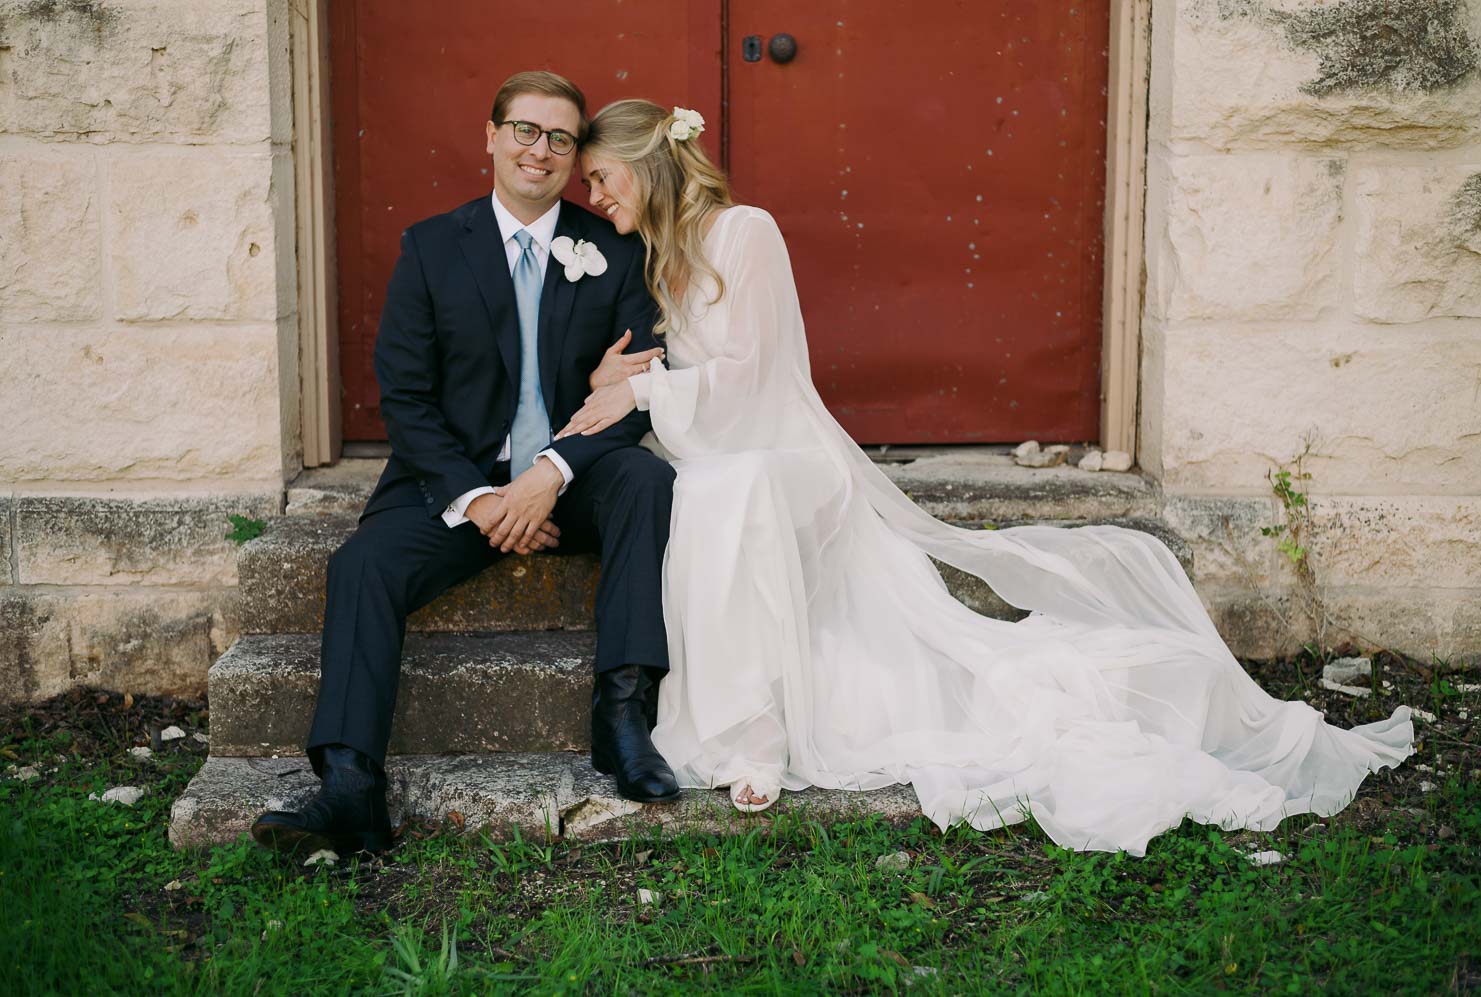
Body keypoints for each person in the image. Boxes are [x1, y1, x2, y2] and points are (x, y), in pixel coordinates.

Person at [561, 99, 1414, 855]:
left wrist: (644, 387)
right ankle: (737, 719)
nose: (597, 200)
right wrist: (624, 377)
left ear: (648, 162)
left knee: (726, 493)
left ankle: (757, 735)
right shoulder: (657, 258)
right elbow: (683, 371)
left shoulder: (744, 232)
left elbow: (753, 375)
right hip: (726, 452)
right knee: (700, 488)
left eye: (602, 180)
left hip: (787, 456)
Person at [252, 73, 681, 859]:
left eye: (560, 138)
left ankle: (623, 720)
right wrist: (481, 498)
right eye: (524, 130)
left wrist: (550, 470)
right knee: (361, 566)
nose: (539, 150)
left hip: (572, 479)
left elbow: (640, 390)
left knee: (648, 481)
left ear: (574, 153)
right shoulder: (430, 247)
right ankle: (350, 785)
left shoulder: (617, 250)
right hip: (455, 483)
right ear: (489, 135)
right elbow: (406, 399)